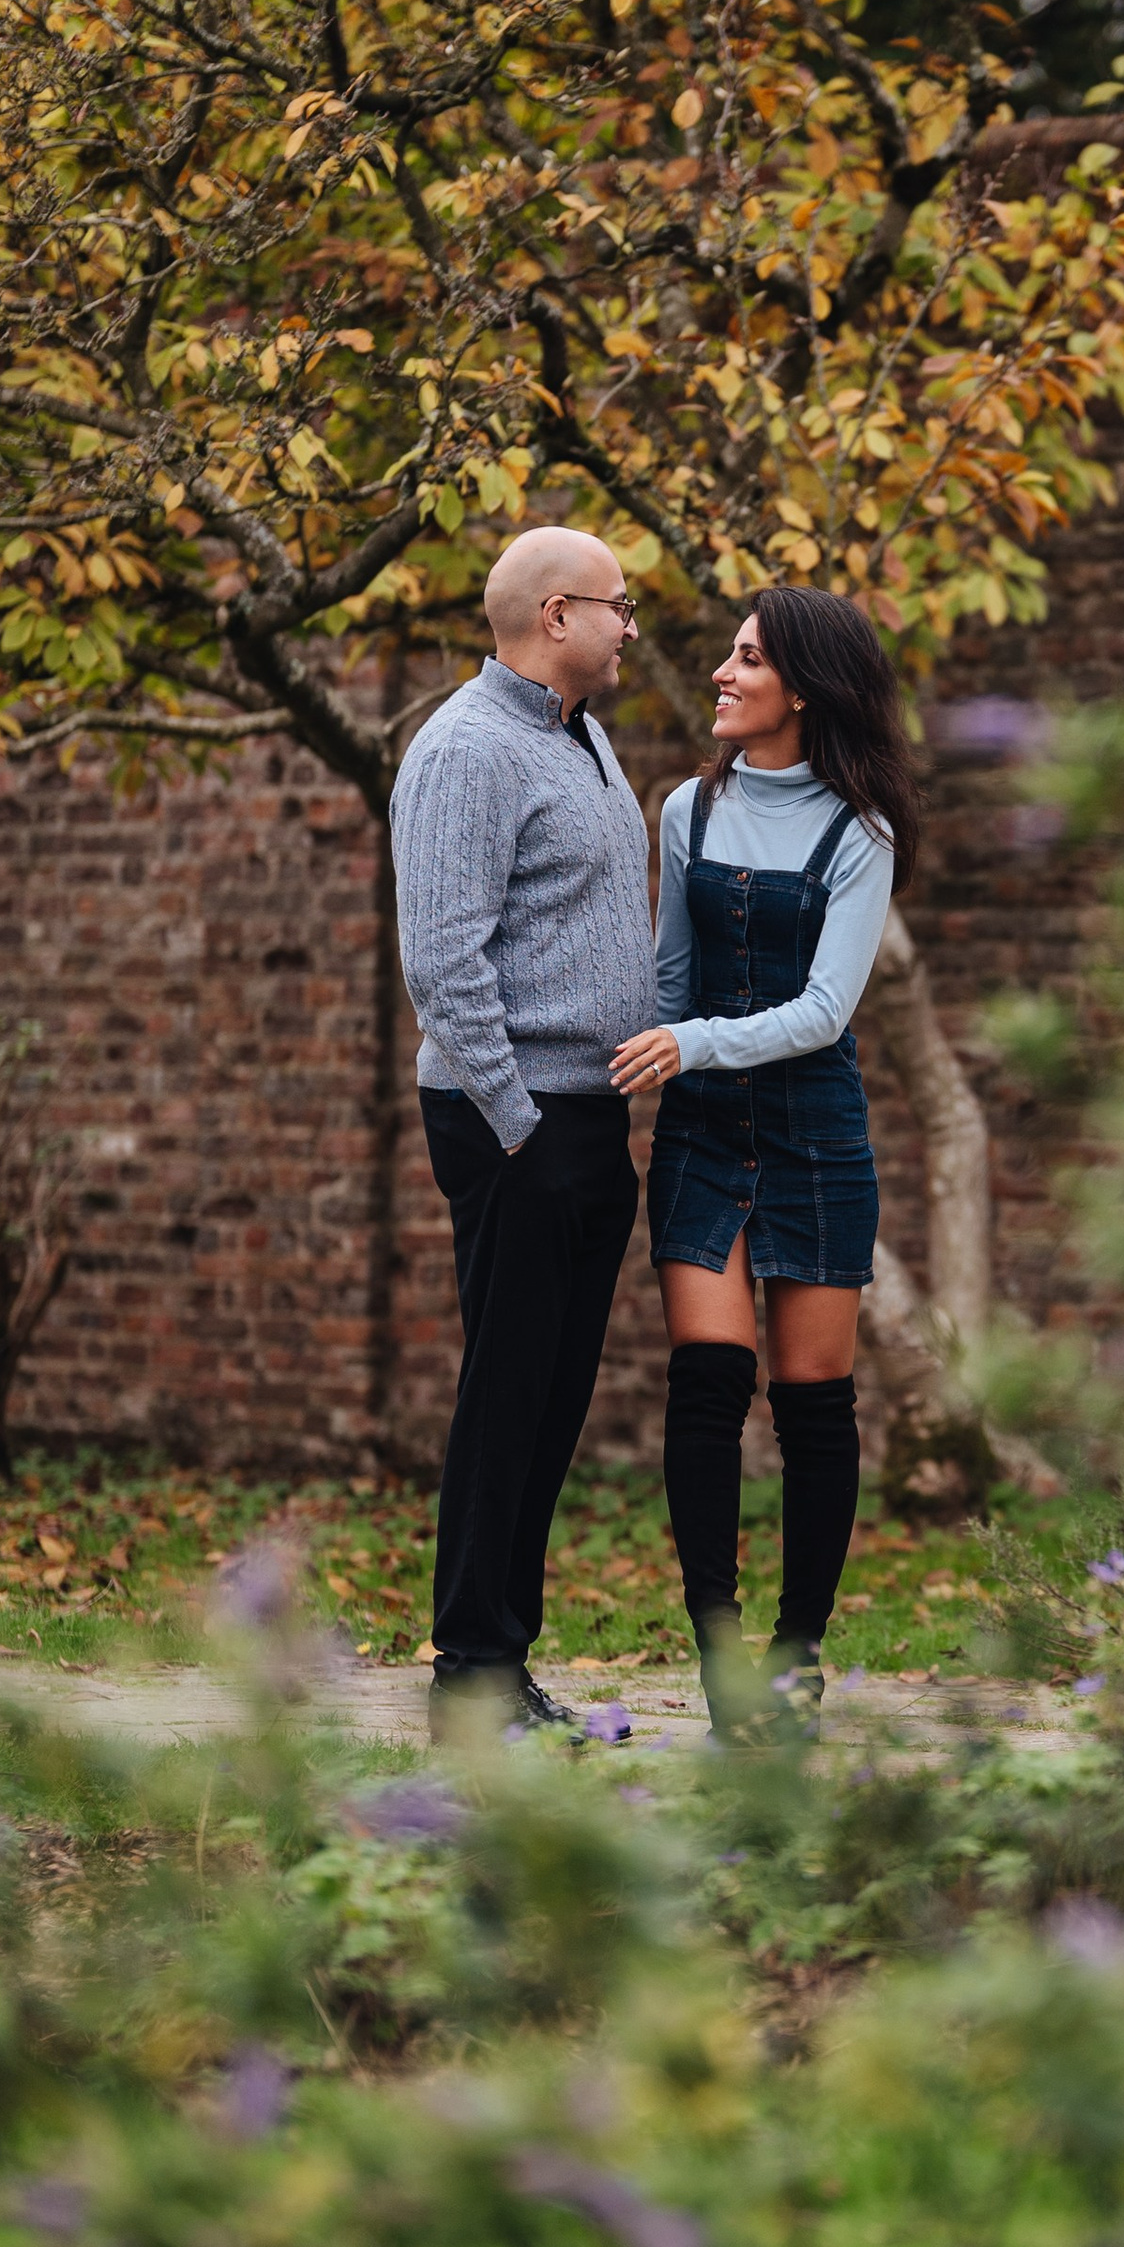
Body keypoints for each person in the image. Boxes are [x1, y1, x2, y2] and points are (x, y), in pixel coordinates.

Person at [607, 585, 920, 1725]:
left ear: (805, 686)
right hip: (702, 1129)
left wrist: (688, 1043)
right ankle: (719, 1650)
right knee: (708, 1377)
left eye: (746, 659)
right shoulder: (685, 807)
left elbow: (826, 1012)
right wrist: (646, 1045)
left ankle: (797, 1649)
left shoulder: (862, 830)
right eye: (729, 655)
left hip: (814, 1132)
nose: (723, 676)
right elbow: (674, 982)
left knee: (812, 1400)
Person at [391, 525, 656, 1740]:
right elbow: (441, 959)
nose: (631, 625)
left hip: (586, 1117)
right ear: (556, 615)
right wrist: (516, 1124)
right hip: (518, 1120)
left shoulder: (579, 736)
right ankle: (472, 1678)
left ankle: (503, 1661)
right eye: (616, 605)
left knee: (549, 1402)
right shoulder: (467, 749)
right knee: (509, 1396)